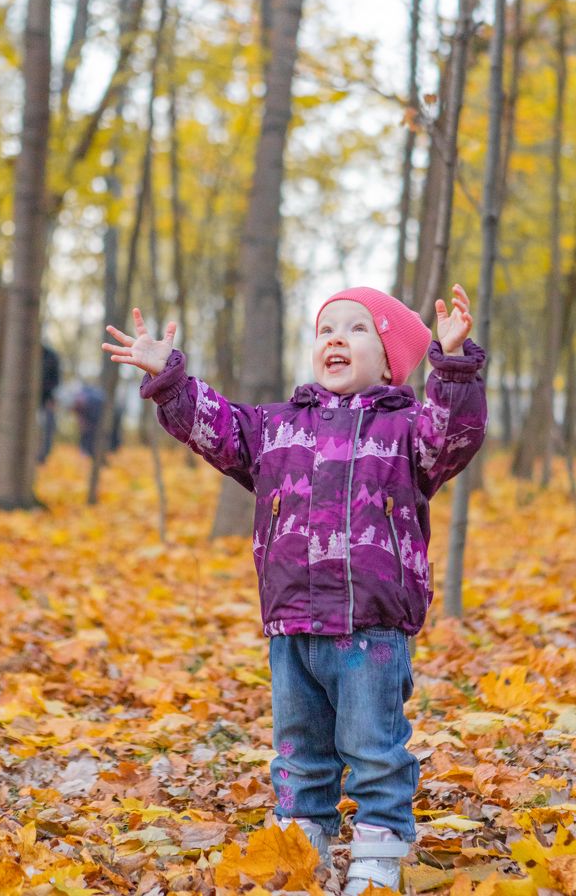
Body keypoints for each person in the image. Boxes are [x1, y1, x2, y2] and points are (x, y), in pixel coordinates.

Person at [102, 284, 486, 894]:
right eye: (326, 328)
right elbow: (216, 426)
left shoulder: (409, 431)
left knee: (373, 746)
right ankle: (302, 835)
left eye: (358, 329)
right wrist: (169, 381)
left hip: (373, 624)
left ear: (391, 360)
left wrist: (455, 363)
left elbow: (455, 434)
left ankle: (381, 848)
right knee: (299, 747)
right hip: (293, 621)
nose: (336, 338)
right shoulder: (277, 427)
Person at [38, 344, 61, 463]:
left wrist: (50, 398)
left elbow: (56, 381)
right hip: (32, 400)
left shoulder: (51, 356)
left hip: (46, 399)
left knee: (46, 428)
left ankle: (43, 458)